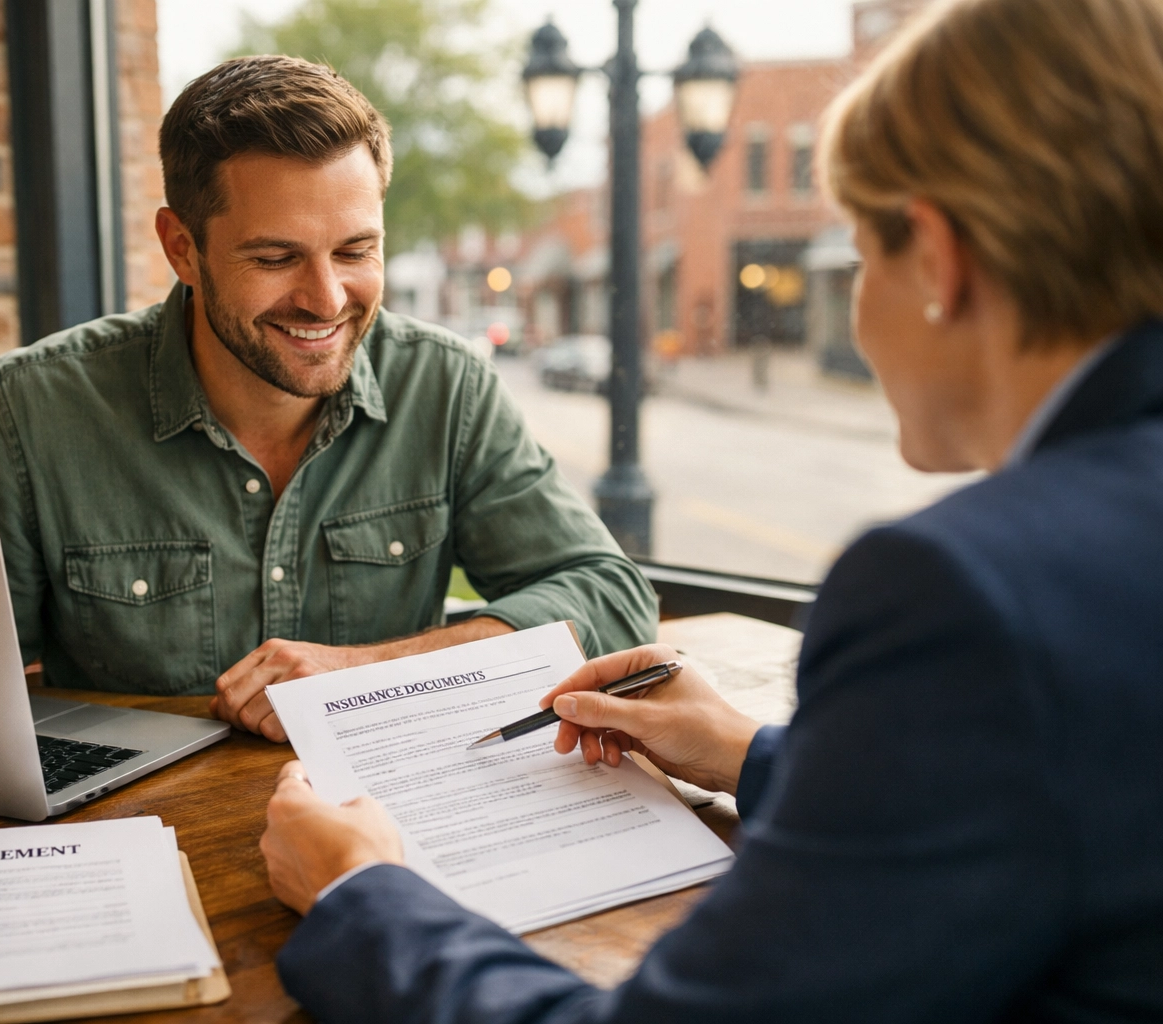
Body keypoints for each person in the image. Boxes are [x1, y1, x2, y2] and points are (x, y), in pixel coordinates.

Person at [257, 0, 1163, 1017]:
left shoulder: (963, 593)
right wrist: (752, 756)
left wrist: (360, 891)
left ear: (940, 261)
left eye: (859, 253)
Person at [0, 56, 658, 740]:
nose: (326, 299)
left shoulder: (445, 387)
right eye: (276, 258)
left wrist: (364, 673)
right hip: (141, 833)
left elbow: (611, 597)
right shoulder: (21, 415)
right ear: (182, 249)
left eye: (354, 251)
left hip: (390, 822)